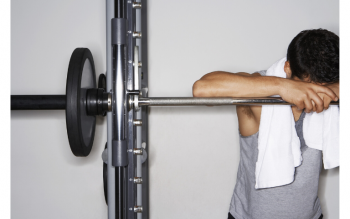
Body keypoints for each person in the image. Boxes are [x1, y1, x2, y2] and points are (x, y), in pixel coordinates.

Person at [192, 29, 339, 219]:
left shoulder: (333, 95)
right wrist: (281, 86)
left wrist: (335, 90)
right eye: (306, 87)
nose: (313, 98)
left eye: (321, 90)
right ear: (287, 68)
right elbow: (201, 88)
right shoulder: (256, 92)